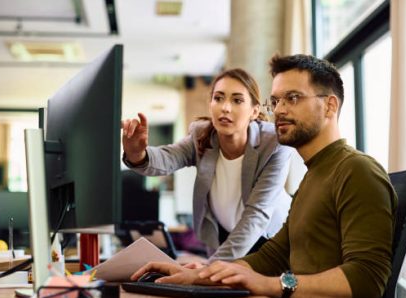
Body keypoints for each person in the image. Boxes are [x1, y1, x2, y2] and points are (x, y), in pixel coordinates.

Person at [130, 54, 397, 298]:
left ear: (329, 106)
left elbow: (368, 280)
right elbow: (272, 256)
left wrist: (271, 284)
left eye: (292, 98)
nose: (279, 110)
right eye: (276, 100)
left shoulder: (357, 170)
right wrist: (198, 275)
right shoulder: (313, 177)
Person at [122, 68, 294, 261]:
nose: (225, 108)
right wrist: (137, 153)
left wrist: (209, 268)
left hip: (272, 241)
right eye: (218, 98)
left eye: (237, 100)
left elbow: (257, 214)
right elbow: (167, 158)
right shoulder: (202, 136)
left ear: (254, 111)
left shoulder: (274, 144)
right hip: (225, 238)